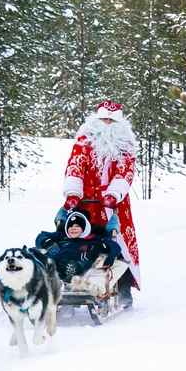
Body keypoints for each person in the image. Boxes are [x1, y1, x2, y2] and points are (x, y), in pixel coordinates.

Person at [61, 100, 140, 307]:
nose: (107, 124)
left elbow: (125, 171)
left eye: (111, 121)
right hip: (85, 201)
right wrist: (73, 192)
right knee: (77, 240)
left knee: (117, 243)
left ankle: (123, 287)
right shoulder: (84, 140)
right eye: (104, 119)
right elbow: (75, 165)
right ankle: (73, 281)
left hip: (114, 204)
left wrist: (113, 193)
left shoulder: (126, 144)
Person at [36, 209, 121, 282]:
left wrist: (101, 248)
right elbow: (41, 236)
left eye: (77, 226)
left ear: (85, 228)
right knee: (49, 257)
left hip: (82, 263)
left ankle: (73, 272)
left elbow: (116, 247)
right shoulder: (62, 235)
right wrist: (47, 242)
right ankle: (47, 271)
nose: (73, 228)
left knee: (89, 263)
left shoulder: (96, 238)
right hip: (60, 261)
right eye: (70, 226)